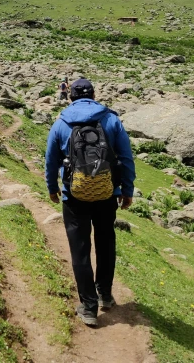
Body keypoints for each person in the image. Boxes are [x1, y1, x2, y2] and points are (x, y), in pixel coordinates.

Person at [44, 78, 135, 328]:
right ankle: (105, 294)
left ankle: (88, 307)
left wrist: (53, 188)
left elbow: (51, 160)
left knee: (80, 249)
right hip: (106, 194)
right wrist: (126, 190)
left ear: (70, 96)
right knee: (105, 242)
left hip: (74, 196)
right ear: (94, 95)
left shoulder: (61, 121)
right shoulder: (111, 119)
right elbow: (126, 157)